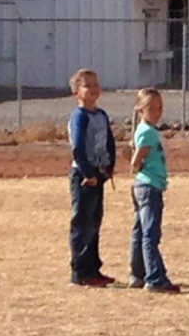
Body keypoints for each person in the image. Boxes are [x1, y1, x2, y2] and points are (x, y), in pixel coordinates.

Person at [67, 68, 116, 287]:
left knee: (95, 223)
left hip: (99, 174)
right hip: (84, 176)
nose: (94, 89)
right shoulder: (79, 116)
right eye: (88, 86)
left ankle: (94, 268)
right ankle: (80, 271)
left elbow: (109, 142)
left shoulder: (101, 115)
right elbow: (77, 148)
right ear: (76, 92)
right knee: (82, 224)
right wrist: (88, 174)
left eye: (96, 84)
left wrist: (109, 166)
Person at [127, 88, 179, 293]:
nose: (157, 112)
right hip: (149, 187)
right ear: (140, 110)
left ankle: (137, 273)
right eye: (151, 108)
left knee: (139, 231)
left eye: (160, 108)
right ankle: (155, 277)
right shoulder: (148, 133)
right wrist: (137, 165)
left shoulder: (145, 130)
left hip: (144, 186)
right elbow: (136, 160)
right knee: (150, 233)